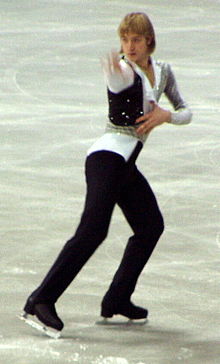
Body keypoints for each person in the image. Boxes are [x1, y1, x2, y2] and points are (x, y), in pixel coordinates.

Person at [22, 12, 192, 334]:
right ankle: (40, 301)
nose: (129, 46)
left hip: (126, 165)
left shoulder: (163, 72)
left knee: (150, 226)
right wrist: (113, 73)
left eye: (136, 40)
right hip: (106, 159)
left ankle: (117, 299)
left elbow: (186, 111)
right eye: (125, 40)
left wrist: (166, 116)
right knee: (93, 231)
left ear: (149, 41)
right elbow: (118, 82)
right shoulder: (125, 71)